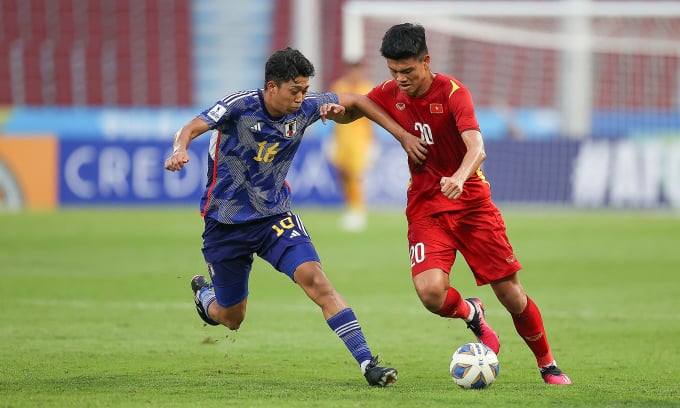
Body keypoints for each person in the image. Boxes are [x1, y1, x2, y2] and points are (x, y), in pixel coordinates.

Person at [338, 23, 572, 385]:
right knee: (431, 294)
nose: (399, 79)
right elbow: (357, 105)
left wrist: (460, 177)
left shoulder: (453, 93)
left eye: (408, 71)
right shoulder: (390, 92)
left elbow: (477, 147)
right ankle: (472, 313)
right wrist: (336, 113)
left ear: (426, 61)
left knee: (511, 294)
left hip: (472, 205)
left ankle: (548, 365)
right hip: (426, 209)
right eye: (393, 71)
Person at [163, 47, 412, 387]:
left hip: (274, 217)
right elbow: (192, 126)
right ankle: (204, 296)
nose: (301, 98)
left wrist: (348, 116)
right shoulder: (239, 106)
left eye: (305, 90)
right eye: (294, 91)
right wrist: (179, 149)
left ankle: (368, 362)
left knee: (317, 281)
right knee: (231, 318)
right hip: (226, 224)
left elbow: (355, 101)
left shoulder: (307, 108)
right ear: (272, 87)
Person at [329, 61, 375, 231]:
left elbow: (372, 117)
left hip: (359, 139)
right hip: (342, 136)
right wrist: (332, 140)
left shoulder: (367, 88)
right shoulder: (339, 86)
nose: (356, 74)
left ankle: (358, 210)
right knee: (343, 173)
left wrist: (372, 142)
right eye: (353, 70)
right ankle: (350, 206)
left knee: (355, 174)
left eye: (358, 70)